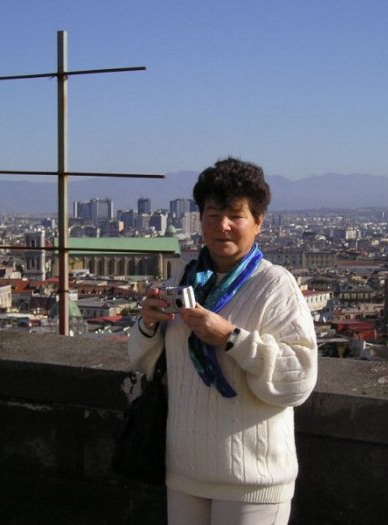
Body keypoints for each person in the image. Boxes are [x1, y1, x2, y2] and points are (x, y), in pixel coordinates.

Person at [128, 157, 318, 525]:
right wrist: (147, 324)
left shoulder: (275, 286)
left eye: (236, 215)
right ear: (199, 219)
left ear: (259, 222)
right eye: (213, 215)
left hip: (253, 480)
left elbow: (298, 379)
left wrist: (231, 338)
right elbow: (142, 361)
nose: (223, 226)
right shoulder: (183, 279)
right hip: (184, 471)